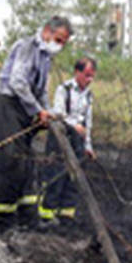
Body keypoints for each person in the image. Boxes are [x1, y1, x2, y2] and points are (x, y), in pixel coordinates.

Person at [0, 16, 73, 231]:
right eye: (58, 40)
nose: (59, 46)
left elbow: (40, 91)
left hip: (22, 111)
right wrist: (37, 110)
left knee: (27, 164)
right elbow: (17, 82)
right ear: (47, 31)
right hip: (6, 107)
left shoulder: (45, 58)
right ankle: (3, 223)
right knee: (9, 163)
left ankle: (28, 220)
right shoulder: (27, 47)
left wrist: (47, 112)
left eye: (63, 43)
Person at [39, 56, 97, 225]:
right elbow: (58, 113)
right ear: (77, 72)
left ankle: (66, 214)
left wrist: (88, 146)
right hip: (60, 138)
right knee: (56, 175)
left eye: (92, 76)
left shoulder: (89, 95)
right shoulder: (64, 90)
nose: (89, 80)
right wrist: (74, 126)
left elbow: (88, 122)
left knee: (74, 178)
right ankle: (47, 215)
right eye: (87, 75)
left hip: (78, 141)